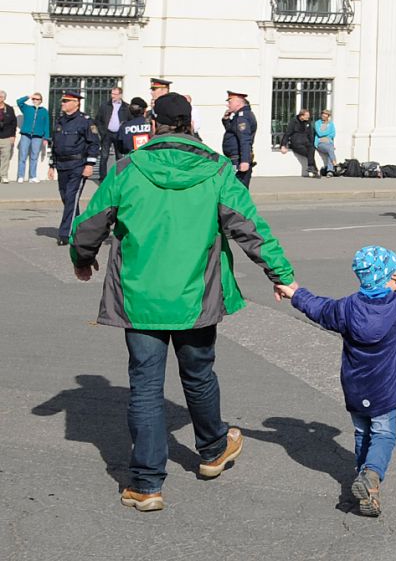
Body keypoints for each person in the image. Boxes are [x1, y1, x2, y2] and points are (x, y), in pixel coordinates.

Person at [68, 90, 295, 511]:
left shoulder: (127, 168)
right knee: (199, 374)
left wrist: (83, 259)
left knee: (145, 386)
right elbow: (250, 227)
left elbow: (90, 223)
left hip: (140, 296)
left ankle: (146, 484)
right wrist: (279, 275)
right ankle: (211, 450)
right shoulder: (217, 169)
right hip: (197, 294)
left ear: (154, 124)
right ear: (190, 124)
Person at [283, 247, 396, 518]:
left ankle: (364, 481)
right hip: (386, 386)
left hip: (356, 386)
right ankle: (371, 475)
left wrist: (295, 292)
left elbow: (318, 308)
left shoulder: (346, 308)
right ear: (389, 277)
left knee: (363, 433)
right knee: (384, 433)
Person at [51, 91, 100, 244]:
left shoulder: (85, 121)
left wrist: (89, 164)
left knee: (72, 197)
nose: (63, 103)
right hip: (62, 165)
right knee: (66, 198)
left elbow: (94, 143)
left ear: (76, 103)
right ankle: (78, 227)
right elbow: (55, 144)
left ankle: (65, 234)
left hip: (78, 165)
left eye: (66, 101)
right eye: (62, 101)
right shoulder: (60, 121)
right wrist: (51, 165)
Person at [220, 90, 257, 186]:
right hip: (234, 159)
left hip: (238, 159)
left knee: (238, 187)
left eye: (230, 102)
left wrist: (244, 161)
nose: (228, 105)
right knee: (233, 186)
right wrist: (226, 119)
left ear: (238, 102)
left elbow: (244, 139)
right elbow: (231, 131)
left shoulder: (242, 117)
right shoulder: (239, 116)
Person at [284, 108, 318, 178]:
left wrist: (311, 143)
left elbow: (310, 133)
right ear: (301, 116)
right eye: (307, 115)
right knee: (309, 154)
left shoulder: (307, 122)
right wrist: (283, 145)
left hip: (306, 142)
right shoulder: (294, 122)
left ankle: (311, 168)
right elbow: (287, 133)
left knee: (312, 148)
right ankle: (314, 169)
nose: (308, 117)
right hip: (296, 144)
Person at [313, 110, 338, 176]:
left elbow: (333, 134)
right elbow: (320, 133)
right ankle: (334, 165)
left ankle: (330, 172)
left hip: (329, 142)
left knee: (330, 149)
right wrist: (327, 132)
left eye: (325, 115)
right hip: (320, 143)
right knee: (331, 149)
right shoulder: (317, 123)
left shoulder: (331, 123)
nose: (323, 116)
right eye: (323, 114)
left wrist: (326, 134)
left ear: (328, 116)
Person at [0, 89, 15, 184]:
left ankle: (3, 175)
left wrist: (13, 136)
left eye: (1, 97)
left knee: (5, 157)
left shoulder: (9, 109)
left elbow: (14, 123)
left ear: (4, 98)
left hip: (6, 137)